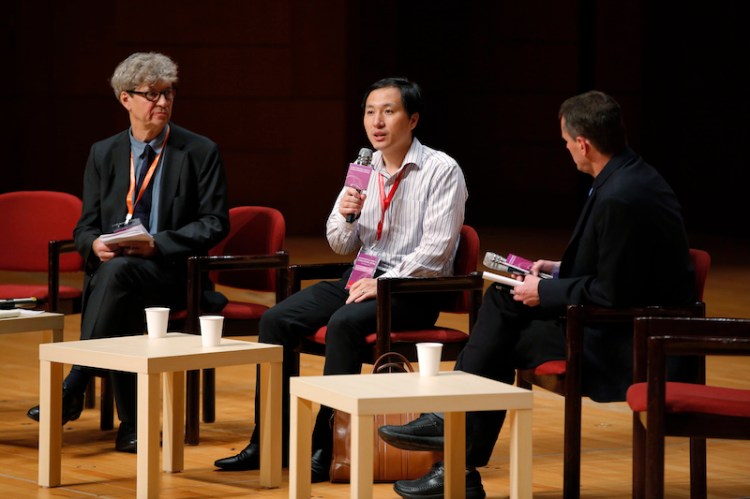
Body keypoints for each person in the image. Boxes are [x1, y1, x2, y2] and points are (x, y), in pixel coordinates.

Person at [377, 90, 696, 498]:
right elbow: (623, 267)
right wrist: (557, 271)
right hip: (617, 318)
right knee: (501, 307)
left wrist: (545, 291)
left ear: (583, 143)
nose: (567, 150)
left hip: (626, 340)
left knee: (499, 335)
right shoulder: (626, 175)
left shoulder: (622, 195)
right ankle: (454, 453)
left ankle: (454, 449)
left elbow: (614, 293)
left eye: (566, 142)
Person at [213, 77, 468, 481]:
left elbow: (436, 251)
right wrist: (349, 213)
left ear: (413, 118)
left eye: (388, 111)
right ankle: (268, 441)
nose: (377, 121)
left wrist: (385, 284)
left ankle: (325, 442)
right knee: (275, 320)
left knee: (344, 324)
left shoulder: (442, 170)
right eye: (370, 112)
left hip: (412, 287)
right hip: (361, 276)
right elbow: (338, 243)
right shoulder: (363, 168)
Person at [26, 52, 230, 453]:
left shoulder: (200, 151)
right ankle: (132, 426)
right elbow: (85, 226)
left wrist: (157, 243)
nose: (163, 103)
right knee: (117, 280)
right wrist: (95, 244)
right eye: (152, 94)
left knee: (116, 280)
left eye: (168, 93)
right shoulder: (104, 153)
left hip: (173, 275)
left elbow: (214, 223)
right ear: (125, 99)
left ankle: (77, 382)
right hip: (118, 274)